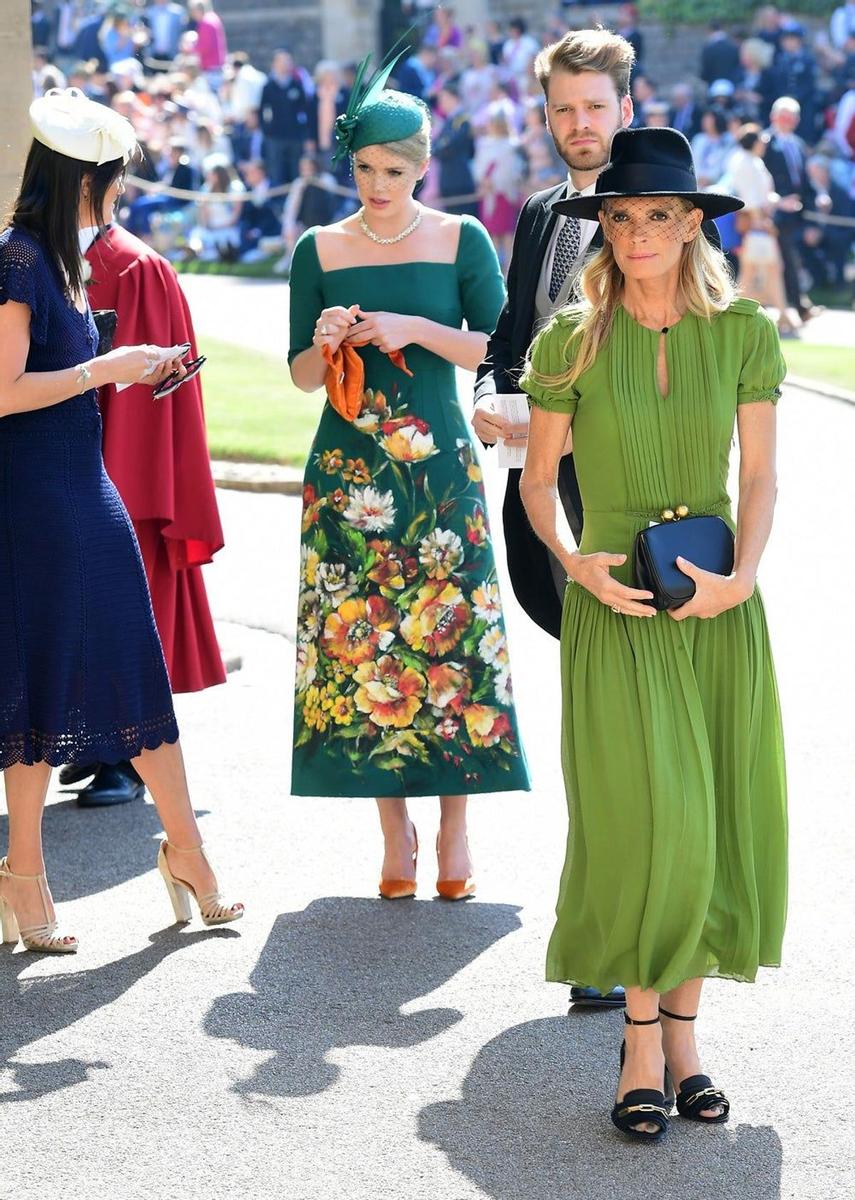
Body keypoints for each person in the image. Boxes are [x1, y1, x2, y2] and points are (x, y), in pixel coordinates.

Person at [518, 125, 787, 1142]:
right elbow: (541, 487)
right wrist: (576, 561)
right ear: (605, 228)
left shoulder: (744, 333)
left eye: (657, 218)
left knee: (710, 821)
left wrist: (745, 577)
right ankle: (637, 1043)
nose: (637, 235)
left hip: (721, 611)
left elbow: (759, 478)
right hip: (616, 611)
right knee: (642, 825)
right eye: (621, 218)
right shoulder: (569, 340)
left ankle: (684, 1042)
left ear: (691, 227)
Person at [472, 29, 725, 1009]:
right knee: (600, 735)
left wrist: (567, 425)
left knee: (643, 740)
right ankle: (618, 927)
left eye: (594, 107)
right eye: (562, 110)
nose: (579, 126)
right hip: (552, 520)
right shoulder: (542, 213)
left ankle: (638, 943)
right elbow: (510, 335)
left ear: (628, 104)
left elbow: (695, 379)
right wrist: (500, 400)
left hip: (648, 522)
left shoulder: (678, 218)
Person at [0, 88, 242, 950]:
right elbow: (4, 390)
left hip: (74, 484)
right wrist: (109, 368)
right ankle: (26, 874)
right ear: (86, 177)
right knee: (31, 687)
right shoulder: (22, 257)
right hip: (35, 496)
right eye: (115, 180)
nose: (122, 194)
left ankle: (186, 849)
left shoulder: (56, 257)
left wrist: (129, 371)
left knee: (129, 666)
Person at [287, 74, 530, 900]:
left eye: (394, 171)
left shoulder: (462, 239)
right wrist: (325, 344)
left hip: (439, 474)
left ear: (421, 168)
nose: (377, 187)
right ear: (348, 166)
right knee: (364, 649)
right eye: (364, 170)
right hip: (346, 475)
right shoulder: (316, 248)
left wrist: (415, 329)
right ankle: (395, 828)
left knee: (453, 640)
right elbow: (297, 379)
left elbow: (503, 349)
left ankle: (457, 827)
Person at [60, 198, 227, 807]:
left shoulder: (135, 268)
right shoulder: (32, 258)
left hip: (118, 461)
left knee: (124, 591)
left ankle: (127, 750)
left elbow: (151, 395)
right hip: (44, 452)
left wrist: (117, 479)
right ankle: (90, 737)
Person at [432, 78, 478, 216]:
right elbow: (437, 145)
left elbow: (450, 145)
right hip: (449, 179)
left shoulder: (462, 120)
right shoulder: (450, 120)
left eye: (444, 98)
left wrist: (437, 149)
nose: (441, 102)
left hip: (460, 178)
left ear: (455, 98)